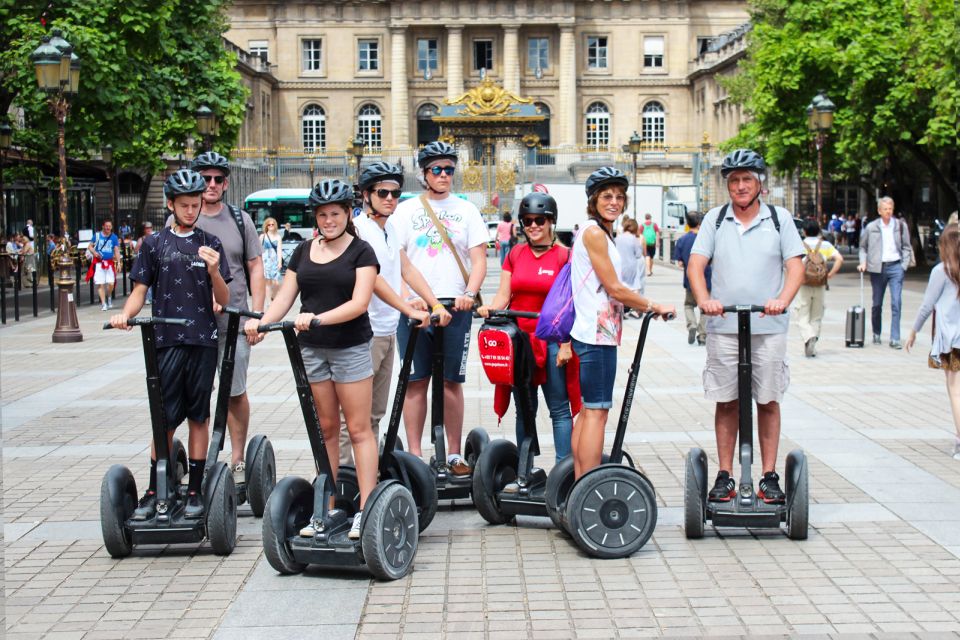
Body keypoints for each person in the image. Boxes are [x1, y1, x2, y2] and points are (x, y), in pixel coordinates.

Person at [245, 179, 379, 540]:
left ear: (347, 214)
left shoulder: (361, 252)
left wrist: (317, 318)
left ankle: (366, 509)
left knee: (358, 428)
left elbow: (359, 303)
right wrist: (262, 322)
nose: (328, 220)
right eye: (322, 214)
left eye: (335, 213)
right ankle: (330, 505)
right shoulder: (303, 251)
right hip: (312, 349)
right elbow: (285, 297)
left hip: (349, 347)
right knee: (326, 428)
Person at [686, 149, 805, 505]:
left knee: (767, 399)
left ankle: (768, 475)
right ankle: (725, 474)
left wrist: (782, 298)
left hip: (769, 325)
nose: (739, 186)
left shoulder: (779, 218)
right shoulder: (715, 219)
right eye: (734, 180)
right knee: (726, 401)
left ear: (759, 184)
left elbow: (795, 266)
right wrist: (705, 298)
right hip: (724, 325)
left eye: (746, 180)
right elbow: (696, 266)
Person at [111, 169, 231, 520]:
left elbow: (222, 299)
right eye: (185, 205)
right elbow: (138, 290)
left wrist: (214, 271)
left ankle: (194, 488)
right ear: (171, 205)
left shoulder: (210, 244)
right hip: (165, 340)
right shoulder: (154, 244)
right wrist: (124, 315)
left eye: (195, 205)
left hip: (202, 340)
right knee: (164, 419)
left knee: (198, 416)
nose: (192, 210)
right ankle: (156, 487)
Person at [337, 162, 450, 466]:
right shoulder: (358, 230)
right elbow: (373, 279)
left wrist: (434, 302)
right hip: (363, 333)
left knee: (375, 413)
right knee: (352, 418)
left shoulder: (390, 228)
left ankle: (367, 476)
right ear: (365, 195)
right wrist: (407, 307)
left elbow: (407, 268)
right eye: (382, 192)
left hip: (386, 331)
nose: (390, 198)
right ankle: (344, 481)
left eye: (395, 192)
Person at [570, 168, 674, 480]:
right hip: (596, 335)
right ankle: (587, 486)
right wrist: (653, 305)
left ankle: (579, 483)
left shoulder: (599, 233)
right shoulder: (594, 234)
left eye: (618, 197)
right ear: (594, 200)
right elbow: (614, 288)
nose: (614, 202)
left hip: (593, 332)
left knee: (588, 412)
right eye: (607, 196)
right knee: (597, 413)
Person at [393, 141, 488, 474]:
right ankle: (416, 455)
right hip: (416, 309)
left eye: (449, 169)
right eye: (437, 169)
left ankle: (453, 452)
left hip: (456, 304)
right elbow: (398, 261)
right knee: (416, 380)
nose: (444, 175)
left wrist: (470, 292)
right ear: (424, 173)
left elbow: (478, 260)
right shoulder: (405, 211)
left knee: (451, 381)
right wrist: (407, 297)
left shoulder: (467, 210)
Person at [477, 192, 580, 468]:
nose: (533, 226)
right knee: (525, 409)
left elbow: (569, 303)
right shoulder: (515, 253)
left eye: (539, 220)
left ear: (551, 222)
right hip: (520, 341)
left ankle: (563, 471)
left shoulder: (564, 256)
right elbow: (503, 295)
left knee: (558, 408)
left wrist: (567, 344)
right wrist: (490, 309)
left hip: (552, 341)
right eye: (527, 221)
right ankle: (526, 469)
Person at [186, 151, 266, 483]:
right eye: (206, 179)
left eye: (218, 179)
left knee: (234, 391)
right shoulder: (184, 217)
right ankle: (199, 460)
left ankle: (237, 458)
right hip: (195, 323)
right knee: (197, 392)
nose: (212, 185)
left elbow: (255, 265)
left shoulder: (239, 218)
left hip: (234, 320)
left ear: (226, 183)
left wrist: (257, 314)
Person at [905, 224, 960, 461]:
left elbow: (927, 305)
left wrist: (914, 330)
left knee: (955, 392)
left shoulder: (942, 271)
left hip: (952, 340)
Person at [858, 196, 912, 349]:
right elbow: (863, 247)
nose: (888, 212)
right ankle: (876, 332)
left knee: (896, 302)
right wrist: (863, 262)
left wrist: (904, 265)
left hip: (896, 266)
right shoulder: (872, 227)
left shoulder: (900, 226)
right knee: (877, 304)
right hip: (877, 267)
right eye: (885, 209)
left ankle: (895, 338)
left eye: (890, 209)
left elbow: (907, 246)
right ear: (879, 211)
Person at [795, 219, 843, 357]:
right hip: (820, 283)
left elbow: (789, 263)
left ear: (804, 231)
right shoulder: (825, 245)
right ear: (818, 231)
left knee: (802, 315)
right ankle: (813, 343)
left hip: (803, 283)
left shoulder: (799, 244)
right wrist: (830, 274)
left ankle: (808, 336)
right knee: (817, 315)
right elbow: (839, 259)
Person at [674, 211, 710, 346]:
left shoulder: (682, 240)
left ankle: (692, 325)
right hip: (707, 278)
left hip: (690, 280)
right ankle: (702, 335)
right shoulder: (706, 239)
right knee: (706, 307)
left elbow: (680, 263)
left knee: (689, 305)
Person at [614, 217, 646, 317]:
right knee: (634, 288)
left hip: (619, 267)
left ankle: (621, 309)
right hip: (631, 266)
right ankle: (635, 308)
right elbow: (638, 254)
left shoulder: (617, 238)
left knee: (621, 287)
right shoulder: (634, 239)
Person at [88, 220, 121, 310]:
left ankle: (109, 296)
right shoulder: (97, 235)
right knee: (100, 284)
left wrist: (118, 262)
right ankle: (103, 304)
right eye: (106, 226)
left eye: (109, 226)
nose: (108, 228)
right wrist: (94, 253)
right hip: (99, 263)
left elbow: (116, 250)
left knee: (111, 283)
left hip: (109, 263)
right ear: (103, 226)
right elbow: (90, 246)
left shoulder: (114, 237)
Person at [259, 217, 283, 302]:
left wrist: (279, 262)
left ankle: (273, 296)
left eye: (272, 224)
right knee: (268, 283)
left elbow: (279, 250)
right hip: (265, 261)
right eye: (269, 225)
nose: (271, 226)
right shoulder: (263, 236)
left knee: (277, 283)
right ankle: (269, 302)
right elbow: (259, 250)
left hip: (274, 261)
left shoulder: (278, 237)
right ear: (266, 226)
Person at [135, 222, 156, 304]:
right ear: (144, 230)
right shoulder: (142, 239)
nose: (149, 229)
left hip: (154, 262)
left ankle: (152, 297)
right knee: (146, 281)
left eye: (150, 227)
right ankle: (147, 298)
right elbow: (136, 250)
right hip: (145, 262)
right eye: (147, 228)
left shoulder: (155, 237)